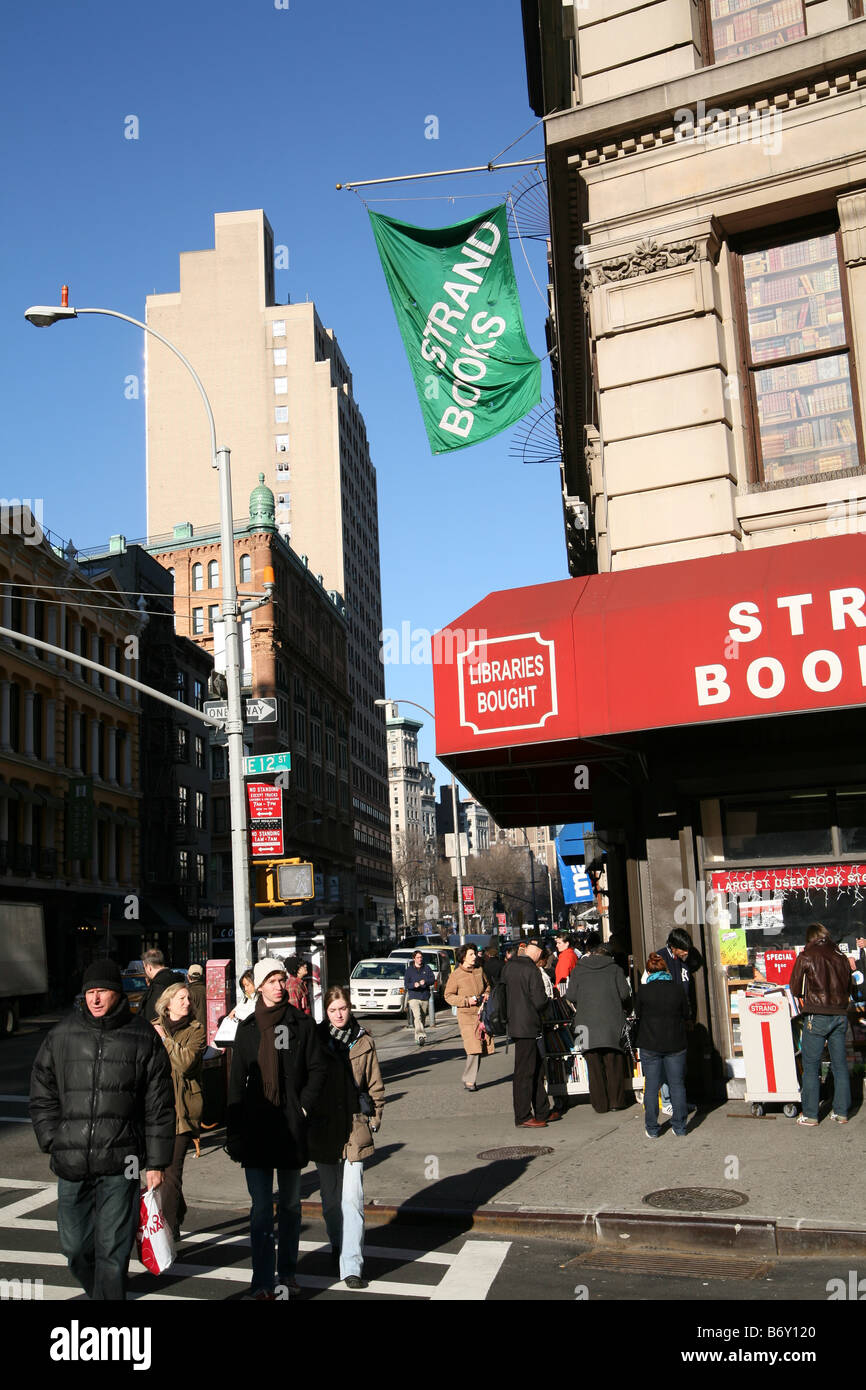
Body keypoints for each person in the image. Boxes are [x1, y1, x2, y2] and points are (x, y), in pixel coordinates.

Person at [29, 958, 175, 1300]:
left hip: (122, 1162)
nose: (95, 999)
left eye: (103, 992)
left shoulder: (142, 1037)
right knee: (75, 1248)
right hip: (71, 1160)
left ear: (117, 995)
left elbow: (158, 1105)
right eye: (90, 992)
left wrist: (155, 1163)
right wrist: (52, 1137)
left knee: (113, 1250)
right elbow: (41, 1089)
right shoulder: (62, 1034)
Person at [226, 958, 327, 1299]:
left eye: (281, 980)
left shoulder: (301, 1023)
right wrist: (234, 1130)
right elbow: (236, 1082)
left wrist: (302, 1106)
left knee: (289, 1206)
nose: (279, 986)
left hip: (289, 1127)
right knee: (259, 1209)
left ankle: (287, 1272)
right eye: (271, 980)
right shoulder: (249, 1027)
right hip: (256, 1128)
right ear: (258, 986)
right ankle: (262, 1281)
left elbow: (317, 1069)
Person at [307, 986, 385, 1290]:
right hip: (324, 1127)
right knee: (329, 1201)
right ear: (325, 1012)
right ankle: (338, 1243)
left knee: (352, 1199)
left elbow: (376, 1083)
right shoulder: (316, 1039)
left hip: (355, 1125)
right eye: (333, 1010)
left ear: (350, 1008)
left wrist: (374, 1118)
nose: (339, 1015)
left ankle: (351, 1265)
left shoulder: (364, 1040)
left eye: (343, 1009)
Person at [152, 981, 206, 1240]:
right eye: (182, 998)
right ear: (168, 1002)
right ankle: (178, 1206)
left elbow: (185, 1063)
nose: (187, 1002)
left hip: (182, 1111)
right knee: (156, 1172)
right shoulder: (151, 1027)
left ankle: (169, 1231)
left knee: (172, 1173)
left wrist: (163, 1039)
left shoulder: (197, 1030)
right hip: (155, 1110)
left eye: (188, 999)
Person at [789, 923, 853, 1126]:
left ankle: (810, 1114)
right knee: (840, 1065)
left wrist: (806, 996)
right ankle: (842, 1112)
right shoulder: (841, 957)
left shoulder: (806, 955)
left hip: (817, 1015)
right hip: (840, 1015)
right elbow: (849, 987)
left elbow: (795, 987)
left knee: (810, 1066)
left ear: (810, 938)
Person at [566, 943, 631, 1113]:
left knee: (593, 1065)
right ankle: (616, 1102)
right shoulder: (615, 969)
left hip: (584, 1025)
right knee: (614, 1062)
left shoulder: (578, 970)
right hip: (612, 1022)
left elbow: (571, 995)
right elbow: (625, 993)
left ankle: (600, 1104)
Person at [502, 938, 559, 1127]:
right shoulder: (531, 970)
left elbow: (502, 992)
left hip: (516, 1023)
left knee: (534, 1068)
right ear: (537, 953)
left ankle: (542, 1110)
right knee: (526, 1072)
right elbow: (540, 1001)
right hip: (529, 1024)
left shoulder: (510, 967)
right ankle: (524, 1116)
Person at [634, 952, 690, 1139]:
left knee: (651, 1085)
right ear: (666, 969)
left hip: (650, 1043)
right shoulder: (677, 988)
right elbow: (686, 1013)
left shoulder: (643, 991)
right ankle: (680, 1126)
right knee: (677, 1085)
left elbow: (638, 1014)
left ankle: (652, 1127)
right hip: (675, 1041)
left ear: (649, 972)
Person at [444, 944, 494, 1092]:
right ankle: (469, 1081)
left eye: (475, 954)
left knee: (479, 1048)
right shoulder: (456, 975)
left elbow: (488, 986)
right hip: (466, 1016)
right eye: (471, 954)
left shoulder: (479, 970)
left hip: (481, 1013)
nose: (475, 957)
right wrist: (466, 1001)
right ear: (463, 956)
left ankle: (469, 1079)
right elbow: (448, 996)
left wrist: (486, 994)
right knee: (473, 1048)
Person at [139, 948, 185, 1023]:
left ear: (149, 967)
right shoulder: (178, 982)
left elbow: (152, 1016)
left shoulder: (157, 987)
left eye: (144, 968)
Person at [404, 950, 436, 1046]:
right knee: (417, 1016)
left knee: (421, 1019)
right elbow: (406, 984)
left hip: (424, 996)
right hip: (414, 996)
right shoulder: (409, 970)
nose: (420, 959)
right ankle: (421, 1035)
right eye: (418, 957)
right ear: (414, 958)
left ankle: (417, 1038)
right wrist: (414, 984)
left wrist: (425, 981)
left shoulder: (427, 968)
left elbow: (432, 979)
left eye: (421, 957)